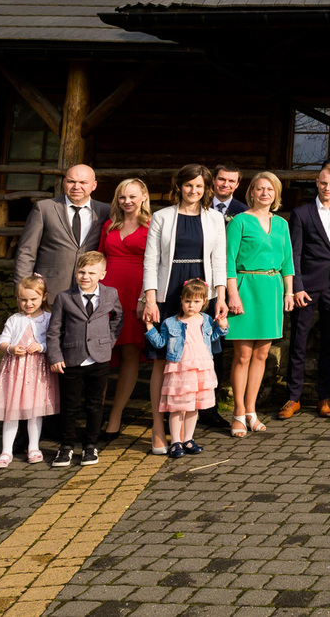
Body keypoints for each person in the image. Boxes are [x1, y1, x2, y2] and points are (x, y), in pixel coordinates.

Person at [140, 165, 229, 454]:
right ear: (179, 186)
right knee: (162, 361)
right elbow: (151, 260)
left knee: (195, 359)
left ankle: (185, 432)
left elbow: (219, 261)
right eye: (189, 185)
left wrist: (221, 297)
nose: (194, 190)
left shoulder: (215, 218)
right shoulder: (162, 217)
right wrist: (150, 299)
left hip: (201, 293)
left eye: (199, 186)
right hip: (167, 291)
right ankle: (158, 428)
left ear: (207, 189)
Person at [224, 171, 295, 438]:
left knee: (262, 355)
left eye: (270, 189)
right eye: (260, 188)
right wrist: (233, 294)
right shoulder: (239, 221)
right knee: (243, 355)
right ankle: (238, 413)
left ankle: (252, 412)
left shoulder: (282, 224)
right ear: (251, 192)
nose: (265, 193)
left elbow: (288, 262)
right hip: (245, 287)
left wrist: (289, 292)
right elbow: (228, 261)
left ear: (276, 194)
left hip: (272, 290)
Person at [280, 163, 330, 421]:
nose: (327, 188)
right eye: (323, 183)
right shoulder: (301, 213)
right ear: (317, 183)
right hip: (308, 288)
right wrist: (297, 286)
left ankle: (325, 397)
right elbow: (295, 253)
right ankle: (293, 397)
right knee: (299, 343)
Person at [46, 251, 122, 468]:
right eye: (81, 272)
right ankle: (66, 446)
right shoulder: (64, 297)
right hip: (71, 359)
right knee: (69, 406)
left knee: (95, 404)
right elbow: (54, 330)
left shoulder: (110, 294)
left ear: (102, 274)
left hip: (99, 359)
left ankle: (90, 445)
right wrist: (55, 355)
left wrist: (108, 341)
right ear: (75, 272)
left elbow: (118, 317)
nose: (85, 276)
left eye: (91, 273)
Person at [142, 279, 224, 459]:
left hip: (200, 369)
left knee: (194, 406)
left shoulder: (206, 320)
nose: (191, 305)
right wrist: (149, 328)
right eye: (188, 301)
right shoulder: (171, 322)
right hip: (180, 370)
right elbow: (160, 343)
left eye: (196, 301)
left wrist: (222, 327)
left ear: (204, 302)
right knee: (177, 407)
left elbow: (212, 338)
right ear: (181, 300)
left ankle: (188, 439)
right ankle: (176, 441)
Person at [98, 178, 151, 438]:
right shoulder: (109, 225)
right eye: (122, 197)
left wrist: (145, 298)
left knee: (130, 354)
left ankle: (115, 416)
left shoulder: (152, 225)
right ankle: (95, 413)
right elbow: (99, 258)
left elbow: (156, 263)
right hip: (106, 294)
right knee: (101, 355)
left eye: (132, 196)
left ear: (144, 197)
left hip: (134, 296)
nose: (127, 201)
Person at [0, 276, 58, 467]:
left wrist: (41, 347)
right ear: (18, 299)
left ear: (44, 297)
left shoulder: (48, 319)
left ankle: (34, 447)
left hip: (37, 372)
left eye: (33, 299)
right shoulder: (14, 319)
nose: (28, 304)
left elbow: (53, 342)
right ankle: (6, 451)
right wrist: (10, 348)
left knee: (35, 411)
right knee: (11, 411)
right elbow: (1, 341)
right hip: (15, 372)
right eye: (24, 299)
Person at [15, 164, 111, 301]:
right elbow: (26, 252)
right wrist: (22, 291)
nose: (76, 187)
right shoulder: (44, 208)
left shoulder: (105, 211)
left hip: (88, 291)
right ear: (64, 182)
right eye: (71, 181)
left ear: (94, 185)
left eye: (83, 182)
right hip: (49, 290)